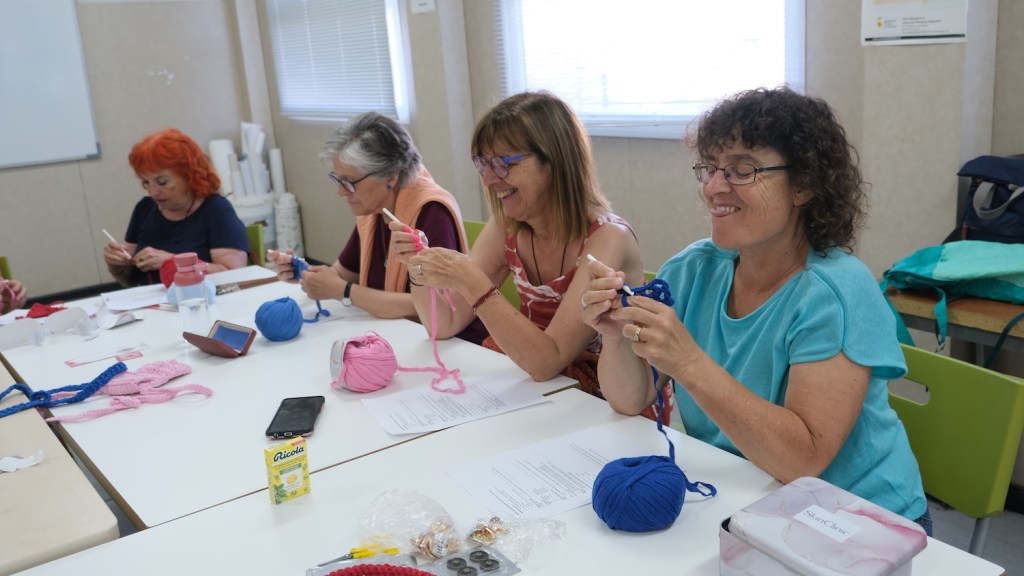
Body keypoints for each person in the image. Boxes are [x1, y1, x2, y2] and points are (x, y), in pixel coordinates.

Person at [581, 87, 929, 529]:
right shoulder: (693, 270)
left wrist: (687, 361)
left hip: (860, 520)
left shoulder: (836, 293)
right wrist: (615, 337)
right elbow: (631, 400)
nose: (713, 187)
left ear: (804, 184)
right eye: (710, 168)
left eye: (741, 170)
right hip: (750, 497)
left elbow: (802, 460)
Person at [391, 91, 669, 422]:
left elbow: (547, 360)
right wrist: (416, 265)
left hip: (612, 407)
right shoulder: (508, 227)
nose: (489, 179)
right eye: (483, 164)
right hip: (543, 392)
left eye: (503, 163)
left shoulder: (609, 238)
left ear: (554, 162)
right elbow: (444, 324)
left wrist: (472, 281)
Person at [267, 112, 485, 342]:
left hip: (449, 345)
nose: (341, 191)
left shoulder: (432, 211)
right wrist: (304, 271)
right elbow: (340, 274)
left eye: (349, 182)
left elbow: (434, 306)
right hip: (398, 337)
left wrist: (344, 291)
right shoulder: (373, 212)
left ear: (390, 177)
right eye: (337, 180)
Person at [104, 128, 249, 286]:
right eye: (145, 182)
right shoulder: (144, 208)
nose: (152, 192)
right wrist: (118, 265)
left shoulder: (216, 210)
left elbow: (233, 275)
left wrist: (173, 262)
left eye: (162, 182)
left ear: (189, 175)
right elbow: (130, 281)